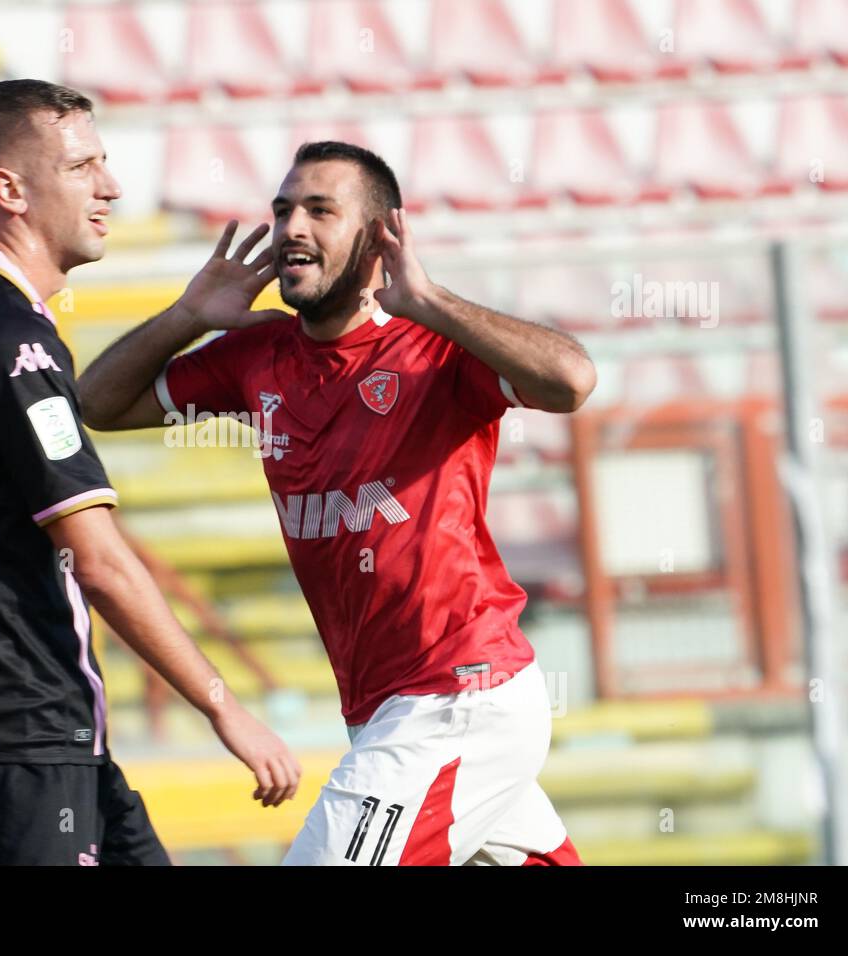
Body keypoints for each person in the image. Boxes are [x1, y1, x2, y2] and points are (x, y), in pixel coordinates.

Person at [79, 141, 597, 866]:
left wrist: (433, 300)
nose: (293, 226)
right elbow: (98, 403)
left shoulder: (434, 348)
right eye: (284, 208)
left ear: (380, 236)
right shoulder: (256, 356)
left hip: (456, 697)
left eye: (321, 210)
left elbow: (572, 381)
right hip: (388, 710)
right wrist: (187, 315)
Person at [0, 79, 300, 866]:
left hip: (14, 731)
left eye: (104, 161)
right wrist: (225, 709)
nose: (111, 185)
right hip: (17, 734)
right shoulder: (12, 340)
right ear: (9, 190)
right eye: (82, 167)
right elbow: (98, 561)